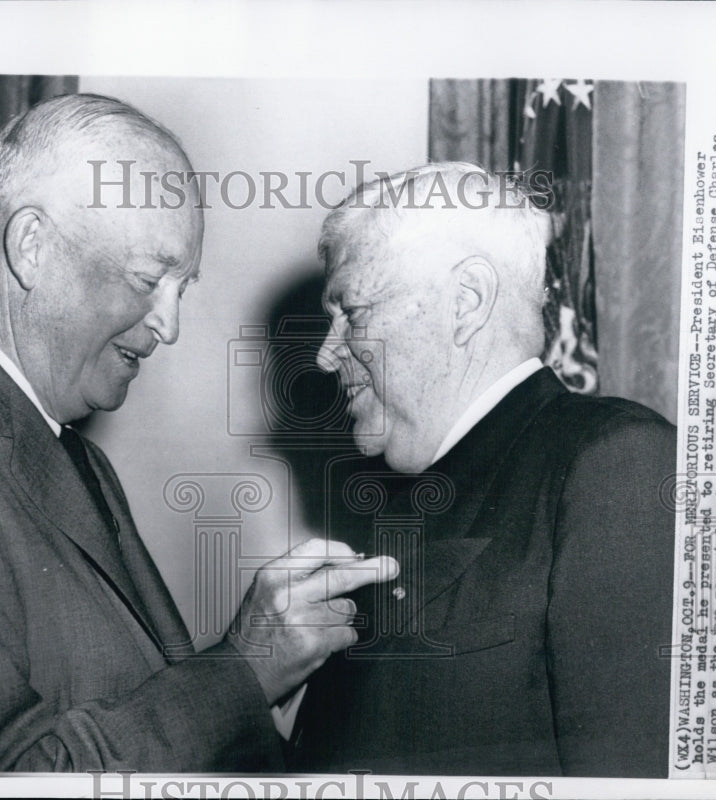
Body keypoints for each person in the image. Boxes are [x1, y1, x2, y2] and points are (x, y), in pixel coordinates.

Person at [0, 93, 397, 772]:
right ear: (31, 247)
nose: (170, 325)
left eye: (181, 290)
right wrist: (245, 669)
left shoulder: (74, 454)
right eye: (149, 279)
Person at [290, 162, 677, 777]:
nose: (325, 353)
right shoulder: (408, 500)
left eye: (352, 313)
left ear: (465, 303)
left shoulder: (614, 463)